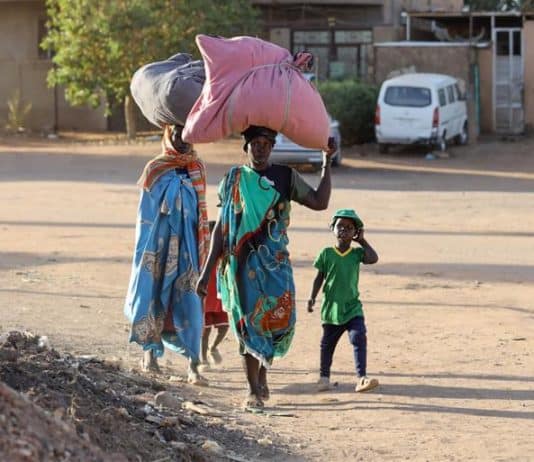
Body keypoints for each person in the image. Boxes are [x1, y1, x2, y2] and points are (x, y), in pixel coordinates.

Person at [196, 125, 337, 411]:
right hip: (240, 267)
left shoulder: (285, 176)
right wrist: (207, 270)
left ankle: (262, 373)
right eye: (255, 143)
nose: (260, 148)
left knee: (274, 321)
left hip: (275, 265)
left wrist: (326, 163)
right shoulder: (233, 179)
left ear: (272, 147)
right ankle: (252, 391)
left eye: (266, 144)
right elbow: (222, 229)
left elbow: (320, 203)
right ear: (245, 147)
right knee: (247, 324)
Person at [124, 124, 210, 386]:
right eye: (176, 133)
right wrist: (144, 254)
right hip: (157, 247)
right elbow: (145, 216)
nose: (181, 139)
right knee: (152, 295)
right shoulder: (154, 169)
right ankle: (149, 354)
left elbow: (201, 213)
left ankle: (194, 365)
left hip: (188, 248)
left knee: (191, 302)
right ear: (167, 135)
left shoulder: (197, 168)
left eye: (187, 133)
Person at [307, 209, 379, 393]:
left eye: (349, 227)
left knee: (358, 337)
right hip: (331, 308)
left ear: (355, 232)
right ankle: (324, 378)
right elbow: (319, 277)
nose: (344, 230)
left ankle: (362, 378)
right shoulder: (326, 253)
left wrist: (362, 240)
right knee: (327, 344)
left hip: (353, 307)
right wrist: (312, 297)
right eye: (340, 226)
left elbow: (373, 258)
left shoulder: (356, 254)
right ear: (332, 228)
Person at [199, 220, 230, 371]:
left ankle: (214, 347)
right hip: (206, 300)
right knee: (205, 331)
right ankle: (203, 359)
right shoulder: (203, 254)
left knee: (224, 328)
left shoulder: (223, 255)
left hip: (219, 299)